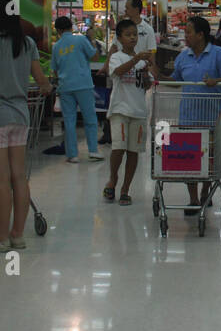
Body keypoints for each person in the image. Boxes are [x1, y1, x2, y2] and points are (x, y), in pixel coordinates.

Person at [0, 0, 52, 252]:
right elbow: (41, 81)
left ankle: (0, 238)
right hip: (20, 116)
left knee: (1, 181)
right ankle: (18, 235)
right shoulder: (27, 43)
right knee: (19, 177)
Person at [170, 15, 221, 212]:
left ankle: (205, 191)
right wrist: (156, 73)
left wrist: (217, 81)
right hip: (188, 115)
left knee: (209, 158)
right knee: (189, 158)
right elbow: (175, 80)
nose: (185, 35)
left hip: (212, 117)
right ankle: (193, 199)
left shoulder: (217, 54)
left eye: (189, 31)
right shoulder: (183, 56)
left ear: (201, 34)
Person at [104, 18, 156, 205]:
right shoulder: (117, 56)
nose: (133, 38)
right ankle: (113, 179)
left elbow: (147, 85)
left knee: (134, 151)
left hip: (139, 111)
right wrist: (136, 60)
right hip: (120, 109)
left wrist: (146, 72)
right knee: (118, 147)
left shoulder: (142, 61)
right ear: (119, 38)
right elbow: (117, 72)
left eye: (134, 34)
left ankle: (125, 189)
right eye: (128, 35)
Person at [51, 16, 103, 163]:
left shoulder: (56, 46)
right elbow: (95, 58)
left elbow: (54, 70)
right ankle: (93, 151)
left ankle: (72, 154)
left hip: (65, 86)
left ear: (58, 30)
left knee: (69, 120)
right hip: (83, 84)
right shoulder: (80, 40)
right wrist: (92, 40)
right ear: (71, 27)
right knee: (90, 119)